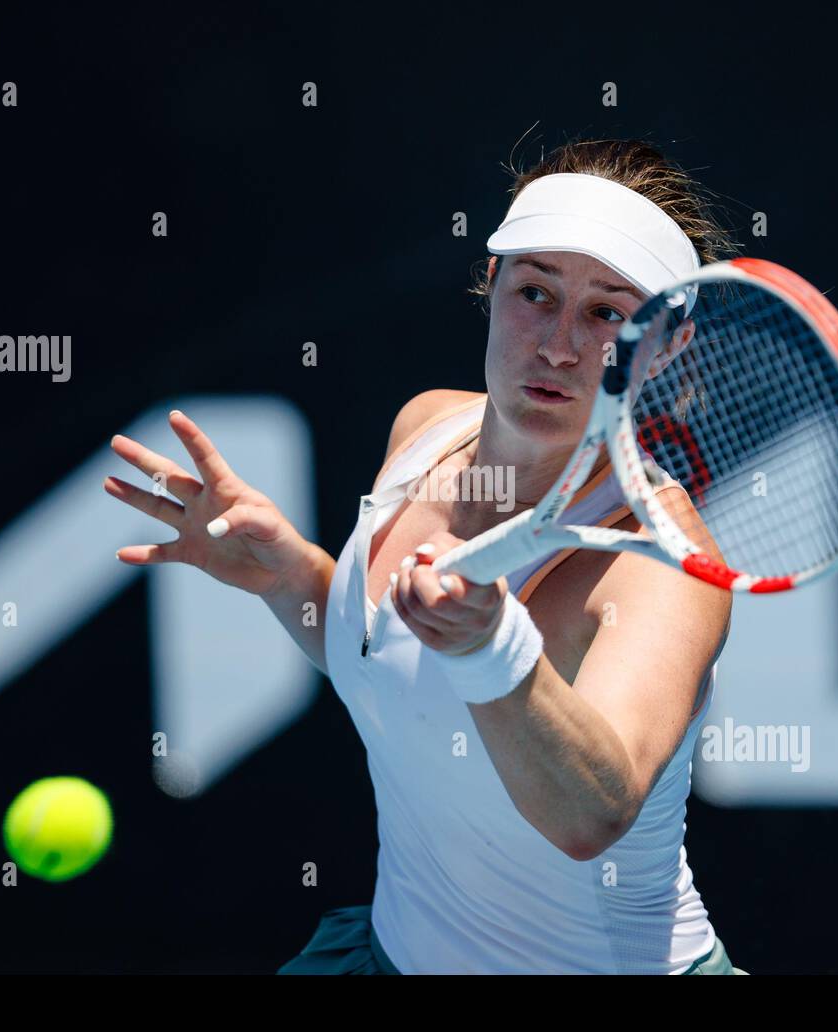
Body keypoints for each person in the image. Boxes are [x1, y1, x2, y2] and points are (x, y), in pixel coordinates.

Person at [105, 138, 747, 974]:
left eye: (607, 313)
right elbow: (401, 673)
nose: (557, 343)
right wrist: (288, 576)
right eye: (535, 292)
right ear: (491, 290)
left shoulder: (662, 561)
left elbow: (593, 812)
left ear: (666, 346)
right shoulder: (426, 429)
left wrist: (493, 648)